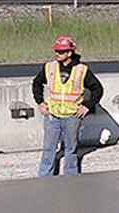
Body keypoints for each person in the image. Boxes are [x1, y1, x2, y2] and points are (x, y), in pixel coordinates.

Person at [32, 35, 104, 176]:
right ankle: (45, 177)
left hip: (72, 116)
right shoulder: (50, 67)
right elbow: (37, 83)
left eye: (60, 51)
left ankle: (71, 177)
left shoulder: (81, 70)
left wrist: (87, 106)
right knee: (48, 148)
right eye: (56, 51)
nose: (57, 54)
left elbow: (97, 89)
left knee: (71, 149)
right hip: (53, 115)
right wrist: (40, 102)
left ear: (69, 53)